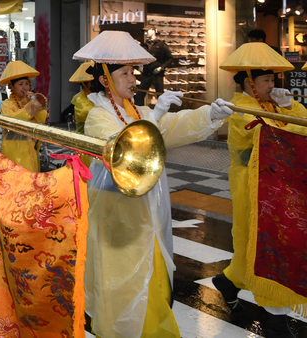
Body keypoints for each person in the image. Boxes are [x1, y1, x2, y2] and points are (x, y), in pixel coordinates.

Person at [73, 30, 236, 338]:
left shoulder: (138, 110)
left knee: (151, 280)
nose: (133, 79)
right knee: (121, 284)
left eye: (134, 72)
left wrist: (209, 115)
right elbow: (125, 147)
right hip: (116, 219)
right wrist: (156, 116)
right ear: (106, 79)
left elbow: (172, 127)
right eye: (125, 73)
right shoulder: (98, 116)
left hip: (147, 215)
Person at [213, 42, 307, 338]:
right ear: (248, 83)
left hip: (278, 186)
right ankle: (275, 319)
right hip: (252, 187)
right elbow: (276, 137)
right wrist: (287, 113)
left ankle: (228, 281)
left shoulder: (270, 104)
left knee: (253, 249)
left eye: (272, 79)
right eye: (266, 80)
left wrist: (290, 106)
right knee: (266, 246)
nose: (272, 85)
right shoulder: (240, 110)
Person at [0, 60, 48, 172]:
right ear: (12, 86)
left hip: (31, 150)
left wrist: (34, 102)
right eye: (20, 84)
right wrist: (28, 106)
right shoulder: (6, 104)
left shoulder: (31, 101)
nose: (24, 87)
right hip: (13, 151)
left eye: (26, 84)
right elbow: (14, 122)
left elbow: (42, 119)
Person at [134, 25, 173, 106]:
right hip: (146, 74)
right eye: (145, 32)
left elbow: (170, 58)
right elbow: (140, 58)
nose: (145, 33)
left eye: (147, 31)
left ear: (153, 31)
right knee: (139, 96)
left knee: (160, 96)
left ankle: (163, 114)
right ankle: (139, 114)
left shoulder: (162, 45)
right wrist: (140, 66)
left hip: (157, 75)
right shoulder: (144, 45)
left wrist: (161, 68)